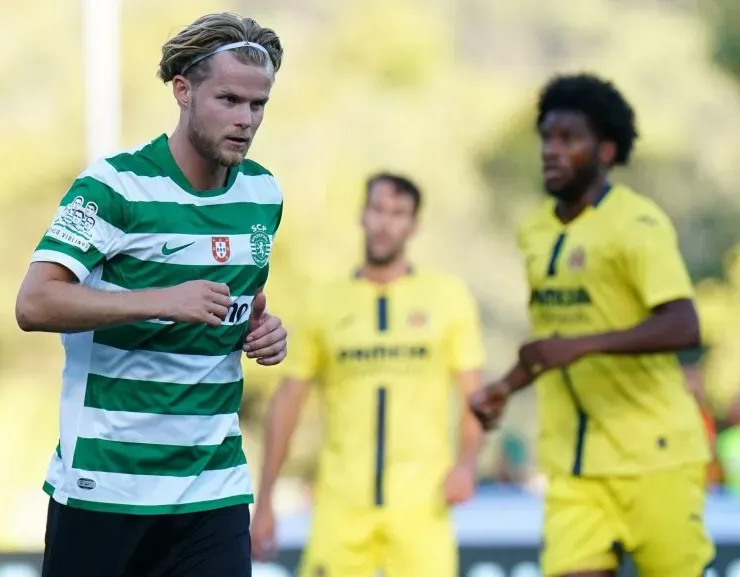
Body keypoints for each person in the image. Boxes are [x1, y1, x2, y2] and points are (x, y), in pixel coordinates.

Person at [15, 12, 288, 577]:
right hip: (106, 485)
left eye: (257, 105)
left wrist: (263, 331)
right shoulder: (115, 186)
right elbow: (35, 303)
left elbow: (236, 308)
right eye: (229, 100)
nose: (245, 120)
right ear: (183, 91)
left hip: (213, 488)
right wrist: (162, 300)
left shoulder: (263, 192)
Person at [470, 73, 715, 577]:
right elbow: (549, 343)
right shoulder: (535, 229)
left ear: (605, 150)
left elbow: (684, 325)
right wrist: (505, 387)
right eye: (546, 138)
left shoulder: (638, 223)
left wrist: (585, 346)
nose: (551, 151)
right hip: (574, 469)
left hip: (655, 460)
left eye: (568, 139)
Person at [251, 173, 486, 576]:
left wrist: (466, 464)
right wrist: (267, 496)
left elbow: (474, 395)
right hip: (341, 507)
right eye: (377, 209)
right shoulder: (324, 299)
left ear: (414, 226)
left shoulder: (448, 297)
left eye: (398, 214)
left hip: (422, 507)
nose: (385, 223)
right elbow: (289, 400)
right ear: (362, 216)